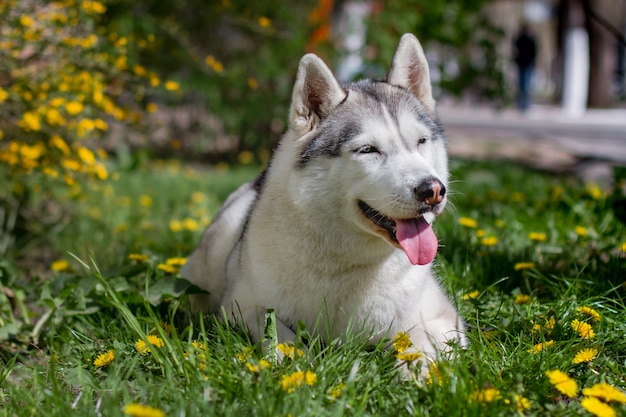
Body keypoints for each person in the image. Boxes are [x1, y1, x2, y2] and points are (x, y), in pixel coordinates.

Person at [513, 23, 537, 112]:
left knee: (523, 84)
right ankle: (523, 103)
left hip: (523, 64)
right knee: (525, 84)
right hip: (525, 64)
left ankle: (522, 103)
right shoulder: (528, 39)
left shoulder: (521, 39)